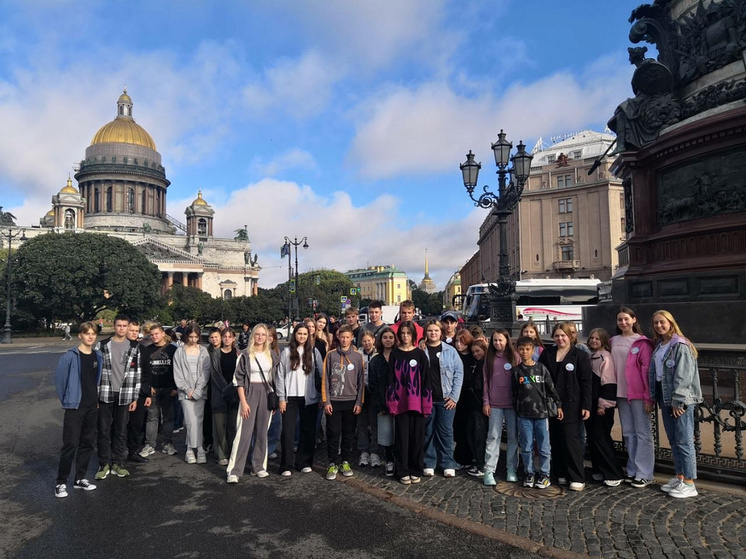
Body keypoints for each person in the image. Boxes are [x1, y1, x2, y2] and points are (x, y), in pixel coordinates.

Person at [649, 310, 702, 498]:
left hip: (680, 400)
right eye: (656, 323)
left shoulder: (679, 345)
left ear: (671, 323)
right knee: (673, 439)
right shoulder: (661, 344)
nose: (659, 326)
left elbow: (683, 376)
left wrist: (678, 402)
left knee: (684, 440)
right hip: (666, 398)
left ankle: (689, 481)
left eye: (662, 322)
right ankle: (679, 476)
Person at [539, 322, 592, 491]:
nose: (560, 338)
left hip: (572, 403)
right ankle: (560, 472)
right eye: (557, 335)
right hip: (551, 403)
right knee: (556, 438)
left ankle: (576, 476)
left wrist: (586, 405)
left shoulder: (579, 356)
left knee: (571, 440)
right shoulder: (548, 353)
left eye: (563, 335)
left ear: (570, 337)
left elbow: (586, 382)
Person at [54, 322, 102, 498]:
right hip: (75, 406)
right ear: (80, 335)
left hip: (92, 405)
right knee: (70, 444)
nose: (90, 336)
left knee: (87, 443)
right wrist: (67, 401)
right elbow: (60, 381)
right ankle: (60, 482)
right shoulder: (70, 356)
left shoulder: (98, 356)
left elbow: (95, 380)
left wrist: (95, 401)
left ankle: (80, 478)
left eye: (93, 333)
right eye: (87, 333)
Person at [227, 324, 279, 483]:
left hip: (266, 394)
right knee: (244, 433)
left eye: (264, 334)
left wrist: (274, 400)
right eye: (258, 334)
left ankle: (259, 466)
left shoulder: (272, 355)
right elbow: (238, 380)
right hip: (249, 394)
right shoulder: (244, 355)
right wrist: (243, 402)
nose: (261, 337)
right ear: (253, 336)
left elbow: (276, 378)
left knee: (262, 431)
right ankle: (234, 470)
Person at [610, 307, 655, 487]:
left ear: (634, 320)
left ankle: (644, 472)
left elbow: (647, 371)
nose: (623, 322)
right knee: (628, 432)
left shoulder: (642, 342)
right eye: (620, 319)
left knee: (642, 433)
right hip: (620, 394)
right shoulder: (613, 341)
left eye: (626, 319)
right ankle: (633, 468)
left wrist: (648, 397)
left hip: (637, 394)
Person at [95, 314, 141, 480]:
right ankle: (103, 463)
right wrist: (95, 396)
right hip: (106, 392)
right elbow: (96, 371)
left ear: (128, 327)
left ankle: (117, 462)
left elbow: (137, 373)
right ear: (114, 326)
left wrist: (135, 397)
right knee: (104, 430)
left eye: (124, 326)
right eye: (119, 325)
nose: (122, 328)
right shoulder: (103, 345)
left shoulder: (134, 347)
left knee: (121, 430)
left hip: (125, 393)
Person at [513, 336, 563, 489]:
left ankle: (545, 473)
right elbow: (514, 392)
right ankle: (529, 472)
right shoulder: (517, 371)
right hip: (524, 414)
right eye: (521, 349)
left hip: (541, 413)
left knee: (543, 446)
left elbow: (550, 388)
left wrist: (558, 405)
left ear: (533, 350)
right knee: (526, 445)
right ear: (518, 350)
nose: (524, 352)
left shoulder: (541, 368)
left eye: (527, 349)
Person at [386, 321, 431, 484]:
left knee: (417, 438)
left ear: (413, 335)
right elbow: (390, 379)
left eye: (408, 333)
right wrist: (392, 402)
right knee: (402, 438)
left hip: (417, 403)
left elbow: (426, 380)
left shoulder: (420, 354)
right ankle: (402, 469)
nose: (405, 336)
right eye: (403, 333)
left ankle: (415, 469)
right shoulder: (395, 354)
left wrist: (426, 404)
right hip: (400, 403)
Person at [275, 324, 323, 476]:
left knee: (307, 431)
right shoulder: (287, 352)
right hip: (290, 397)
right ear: (294, 335)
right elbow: (280, 375)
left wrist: (322, 397)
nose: (302, 336)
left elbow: (321, 375)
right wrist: (281, 398)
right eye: (299, 333)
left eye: (305, 334)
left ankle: (304, 462)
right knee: (288, 432)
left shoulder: (314, 352)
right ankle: (286, 465)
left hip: (309, 397)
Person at [321, 324, 364, 480]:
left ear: (352, 338)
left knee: (348, 434)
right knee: (333, 433)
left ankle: (345, 461)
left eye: (348, 337)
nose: (345, 340)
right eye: (342, 337)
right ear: (338, 337)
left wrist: (359, 402)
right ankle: (333, 462)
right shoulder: (330, 355)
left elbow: (361, 381)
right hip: (334, 401)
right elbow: (325, 379)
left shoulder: (358, 356)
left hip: (351, 401)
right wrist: (326, 401)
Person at [422, 319, 463, 478]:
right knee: (429, 431)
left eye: (436, 331)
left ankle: (447, 462)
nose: (433, 333)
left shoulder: (450, 351)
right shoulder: (422, 350)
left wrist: (454, 397)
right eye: (430, 331)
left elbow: (459, 373)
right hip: (428, 399)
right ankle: (430, 462)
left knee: (446, 431)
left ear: (441, 332)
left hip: (446, 398)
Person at [586, 328, 625, 486]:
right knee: (594, 438)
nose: (594, 341)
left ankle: (613, 472)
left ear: (603, 341)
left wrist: (604, 404)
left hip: (601, 404)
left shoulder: (605, 357)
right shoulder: (591, 356)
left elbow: (608, 382)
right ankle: (599, 469)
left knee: (601, 438)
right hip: (592, 402)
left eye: (597, 338)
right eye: (591, 338)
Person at [482, 328, 520, 486]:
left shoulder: (514, 357)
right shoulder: (489, 358)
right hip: (495, 403)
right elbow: (485, 381)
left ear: (507, 341)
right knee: (493, 436)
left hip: (512, 404)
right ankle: (489, 470)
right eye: (495, 340)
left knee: (512, 437)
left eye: (501, 340)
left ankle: (511, 468)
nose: (498, 343)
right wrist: (486, 401)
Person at [173, 324, 211, 465]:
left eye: (196, 337)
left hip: (200, 391)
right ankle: (191, 449)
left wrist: (198, 389)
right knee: (190, 421)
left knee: (198, 420)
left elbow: (206, 372)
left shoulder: (203, 351)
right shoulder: (179, 352)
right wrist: (187, 389)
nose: (193, 339)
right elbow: (177, 373)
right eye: (191, 336)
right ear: (186, 336)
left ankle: (198, 448)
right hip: (185, 392)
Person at [139, 324, 178, 457]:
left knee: (168, 418)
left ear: (163, 334)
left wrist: (175, 387)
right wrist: (147, 388)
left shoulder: (173, 349)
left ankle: (167, 443)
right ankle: (150, 444)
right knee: (152, 418)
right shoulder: (146, 350)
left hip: (169, 388)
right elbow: (143, 371)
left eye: (157, 334)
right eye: (152, 334)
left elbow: (177, 370)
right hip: (153, 389)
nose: (154, 337)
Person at [368, 326, 397, 476]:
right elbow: (372, 385)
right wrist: (379, 404)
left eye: (391, 337)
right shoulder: (375, 361)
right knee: (386, 434)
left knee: (399, 433)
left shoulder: (399, 356)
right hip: (382, 403)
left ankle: (400, 460)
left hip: (399, 403)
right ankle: (389, 460)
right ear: (381, 340)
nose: (388, 340)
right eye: (385, 337)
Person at [210, 327, 240, 466]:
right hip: (220, 395)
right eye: (225, 336)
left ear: (234, 338)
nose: (227, 339)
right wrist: (227, 390)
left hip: (235, 395)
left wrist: (233, 389)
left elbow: (240, 375)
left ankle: (233, 452)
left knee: (232, 426)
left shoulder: (238, 354)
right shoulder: (215, 354)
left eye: (230, 336)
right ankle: (221, 454)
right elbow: (215, 374)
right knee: (219, 427)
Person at [125, 320, 151, 464]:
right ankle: (116, 453)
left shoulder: (142, 349)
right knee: (119, 424)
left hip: (139, 393)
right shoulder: (119, 347)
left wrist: (146, 393)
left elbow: (147, 373)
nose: (134, 333)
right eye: (132, 330)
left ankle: (133, 451)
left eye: (136, 331)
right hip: (122, 392)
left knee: (136, 424)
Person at [452, 329, 476, 473]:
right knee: (458, 428)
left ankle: (469, 456)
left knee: (470, 429)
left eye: (462, 341)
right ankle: (460, 457)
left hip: (470, 398)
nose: (459, 344)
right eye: (456, 341)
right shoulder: (454, 356)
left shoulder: (473, 357)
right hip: (457, 397)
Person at [356, 330, 380, 467]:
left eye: (369, 340)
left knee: (375, 423)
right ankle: (363, 451)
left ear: (373, 340)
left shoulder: (378, 354)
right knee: (362, 423)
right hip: (361, 391)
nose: (367, 343)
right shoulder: (358, 355)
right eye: (364, 341)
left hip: (374, 392)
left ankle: (374, 451)